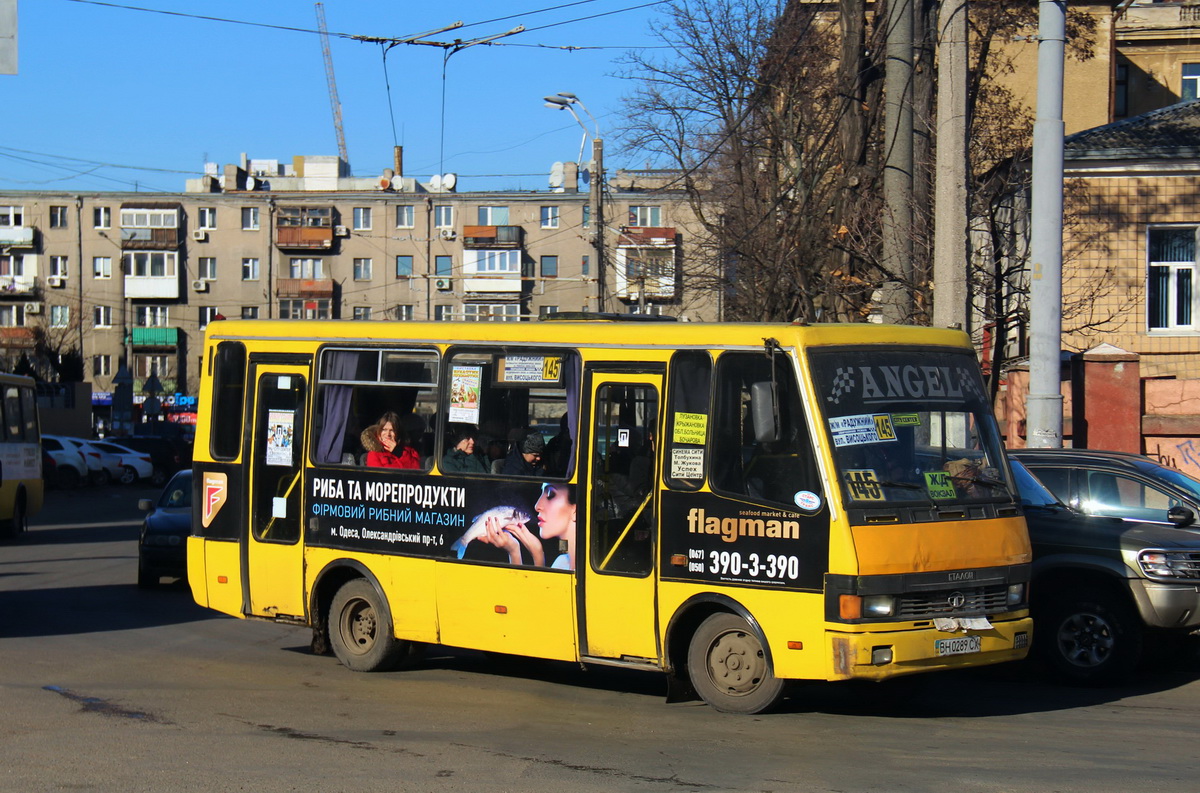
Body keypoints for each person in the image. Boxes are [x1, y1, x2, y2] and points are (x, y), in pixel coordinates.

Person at [475, 482, 577, 570]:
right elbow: (537, 591)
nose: (537, 506)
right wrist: (530, 553)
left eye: (550, 494)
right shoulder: (561, 562)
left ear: (575, 511)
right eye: (541, 493)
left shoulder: (569, 565)